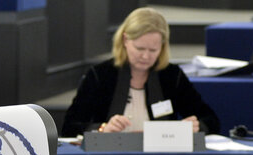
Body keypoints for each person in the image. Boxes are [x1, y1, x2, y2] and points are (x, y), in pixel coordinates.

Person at [61, 7, 220, 137]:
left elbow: (211, 120)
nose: (145, 56)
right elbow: (70, 127)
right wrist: (102, 128)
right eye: (140, 48)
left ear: (162, 47)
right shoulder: (100, 75)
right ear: (125, 40)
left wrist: (197, 126)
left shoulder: (171, 75)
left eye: (153, 50)